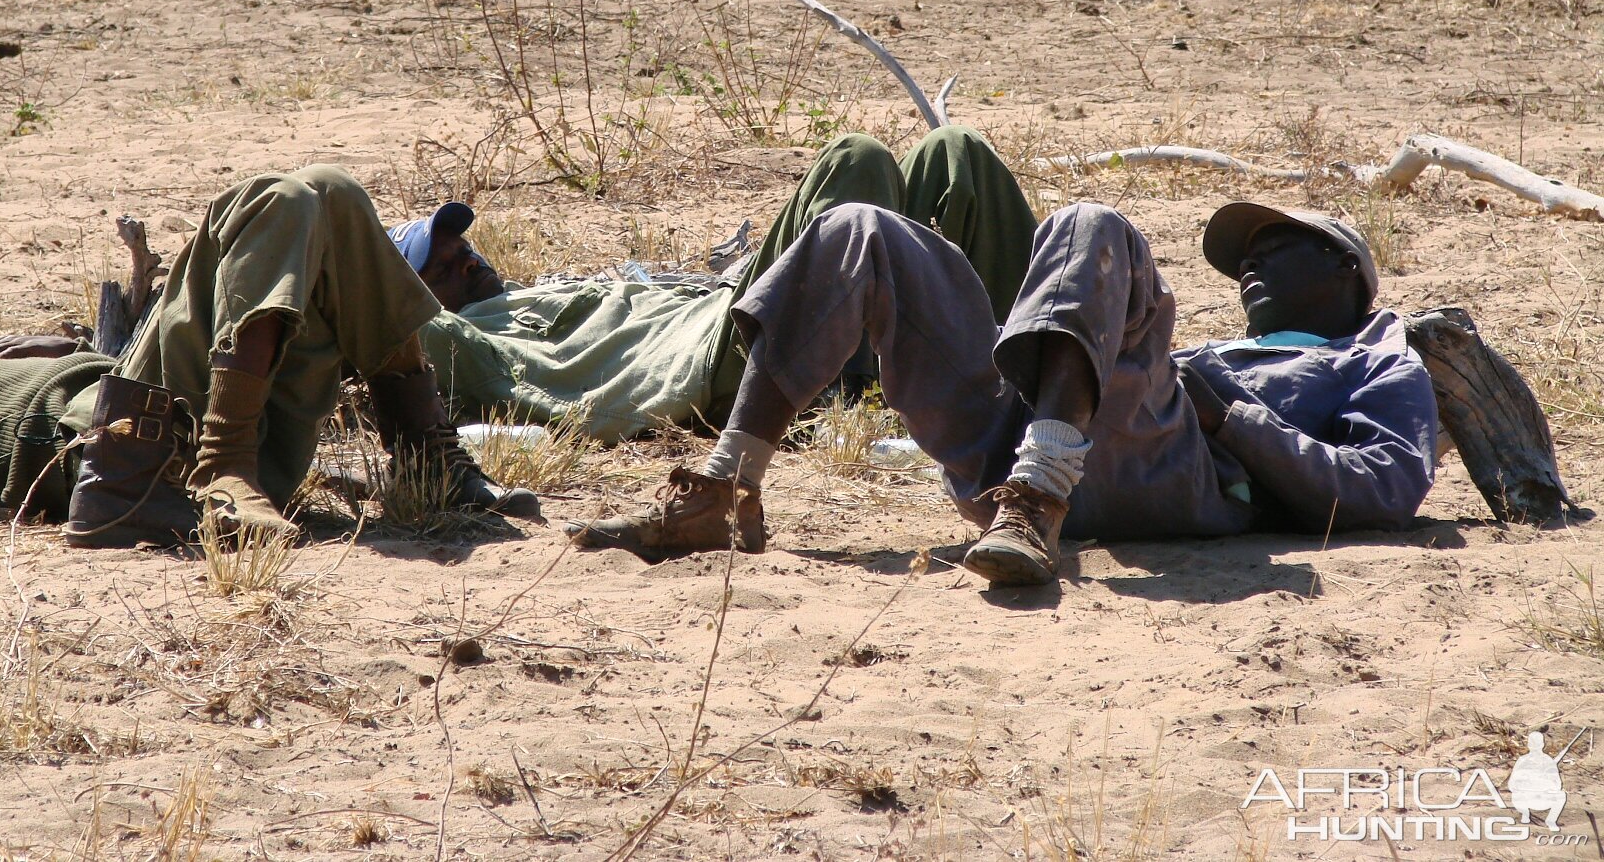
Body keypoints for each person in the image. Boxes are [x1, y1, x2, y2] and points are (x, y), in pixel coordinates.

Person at [569, 198, 1439, 590]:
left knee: (1093, 225)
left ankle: (1036, 499)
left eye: (1278, 244)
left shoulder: (1373, 355)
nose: (1250, 259)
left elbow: (1388, 486)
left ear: (1345, 269)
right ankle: (726, 487)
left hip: (1177, 474)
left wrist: (1229, 417)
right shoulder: (1221, 346)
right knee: (856, 230)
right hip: (1045, 431)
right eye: (1248, 249)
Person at [0, 167, 535, 543]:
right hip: (130, 468)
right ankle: (223, 466)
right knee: (270, 200)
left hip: (200, 432)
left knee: (333, 191)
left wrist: (66, 355)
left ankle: (425, 457)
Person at [394, 127, 1039, 442]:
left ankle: (1041, 375)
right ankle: (862, 364)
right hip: (725, 356)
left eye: (465, 251)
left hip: (729, 314)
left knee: (956, 156)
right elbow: (395, 331)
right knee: (858, 161)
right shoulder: (459, 337)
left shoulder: (537, 289)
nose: (469, 266)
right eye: (444, 271)